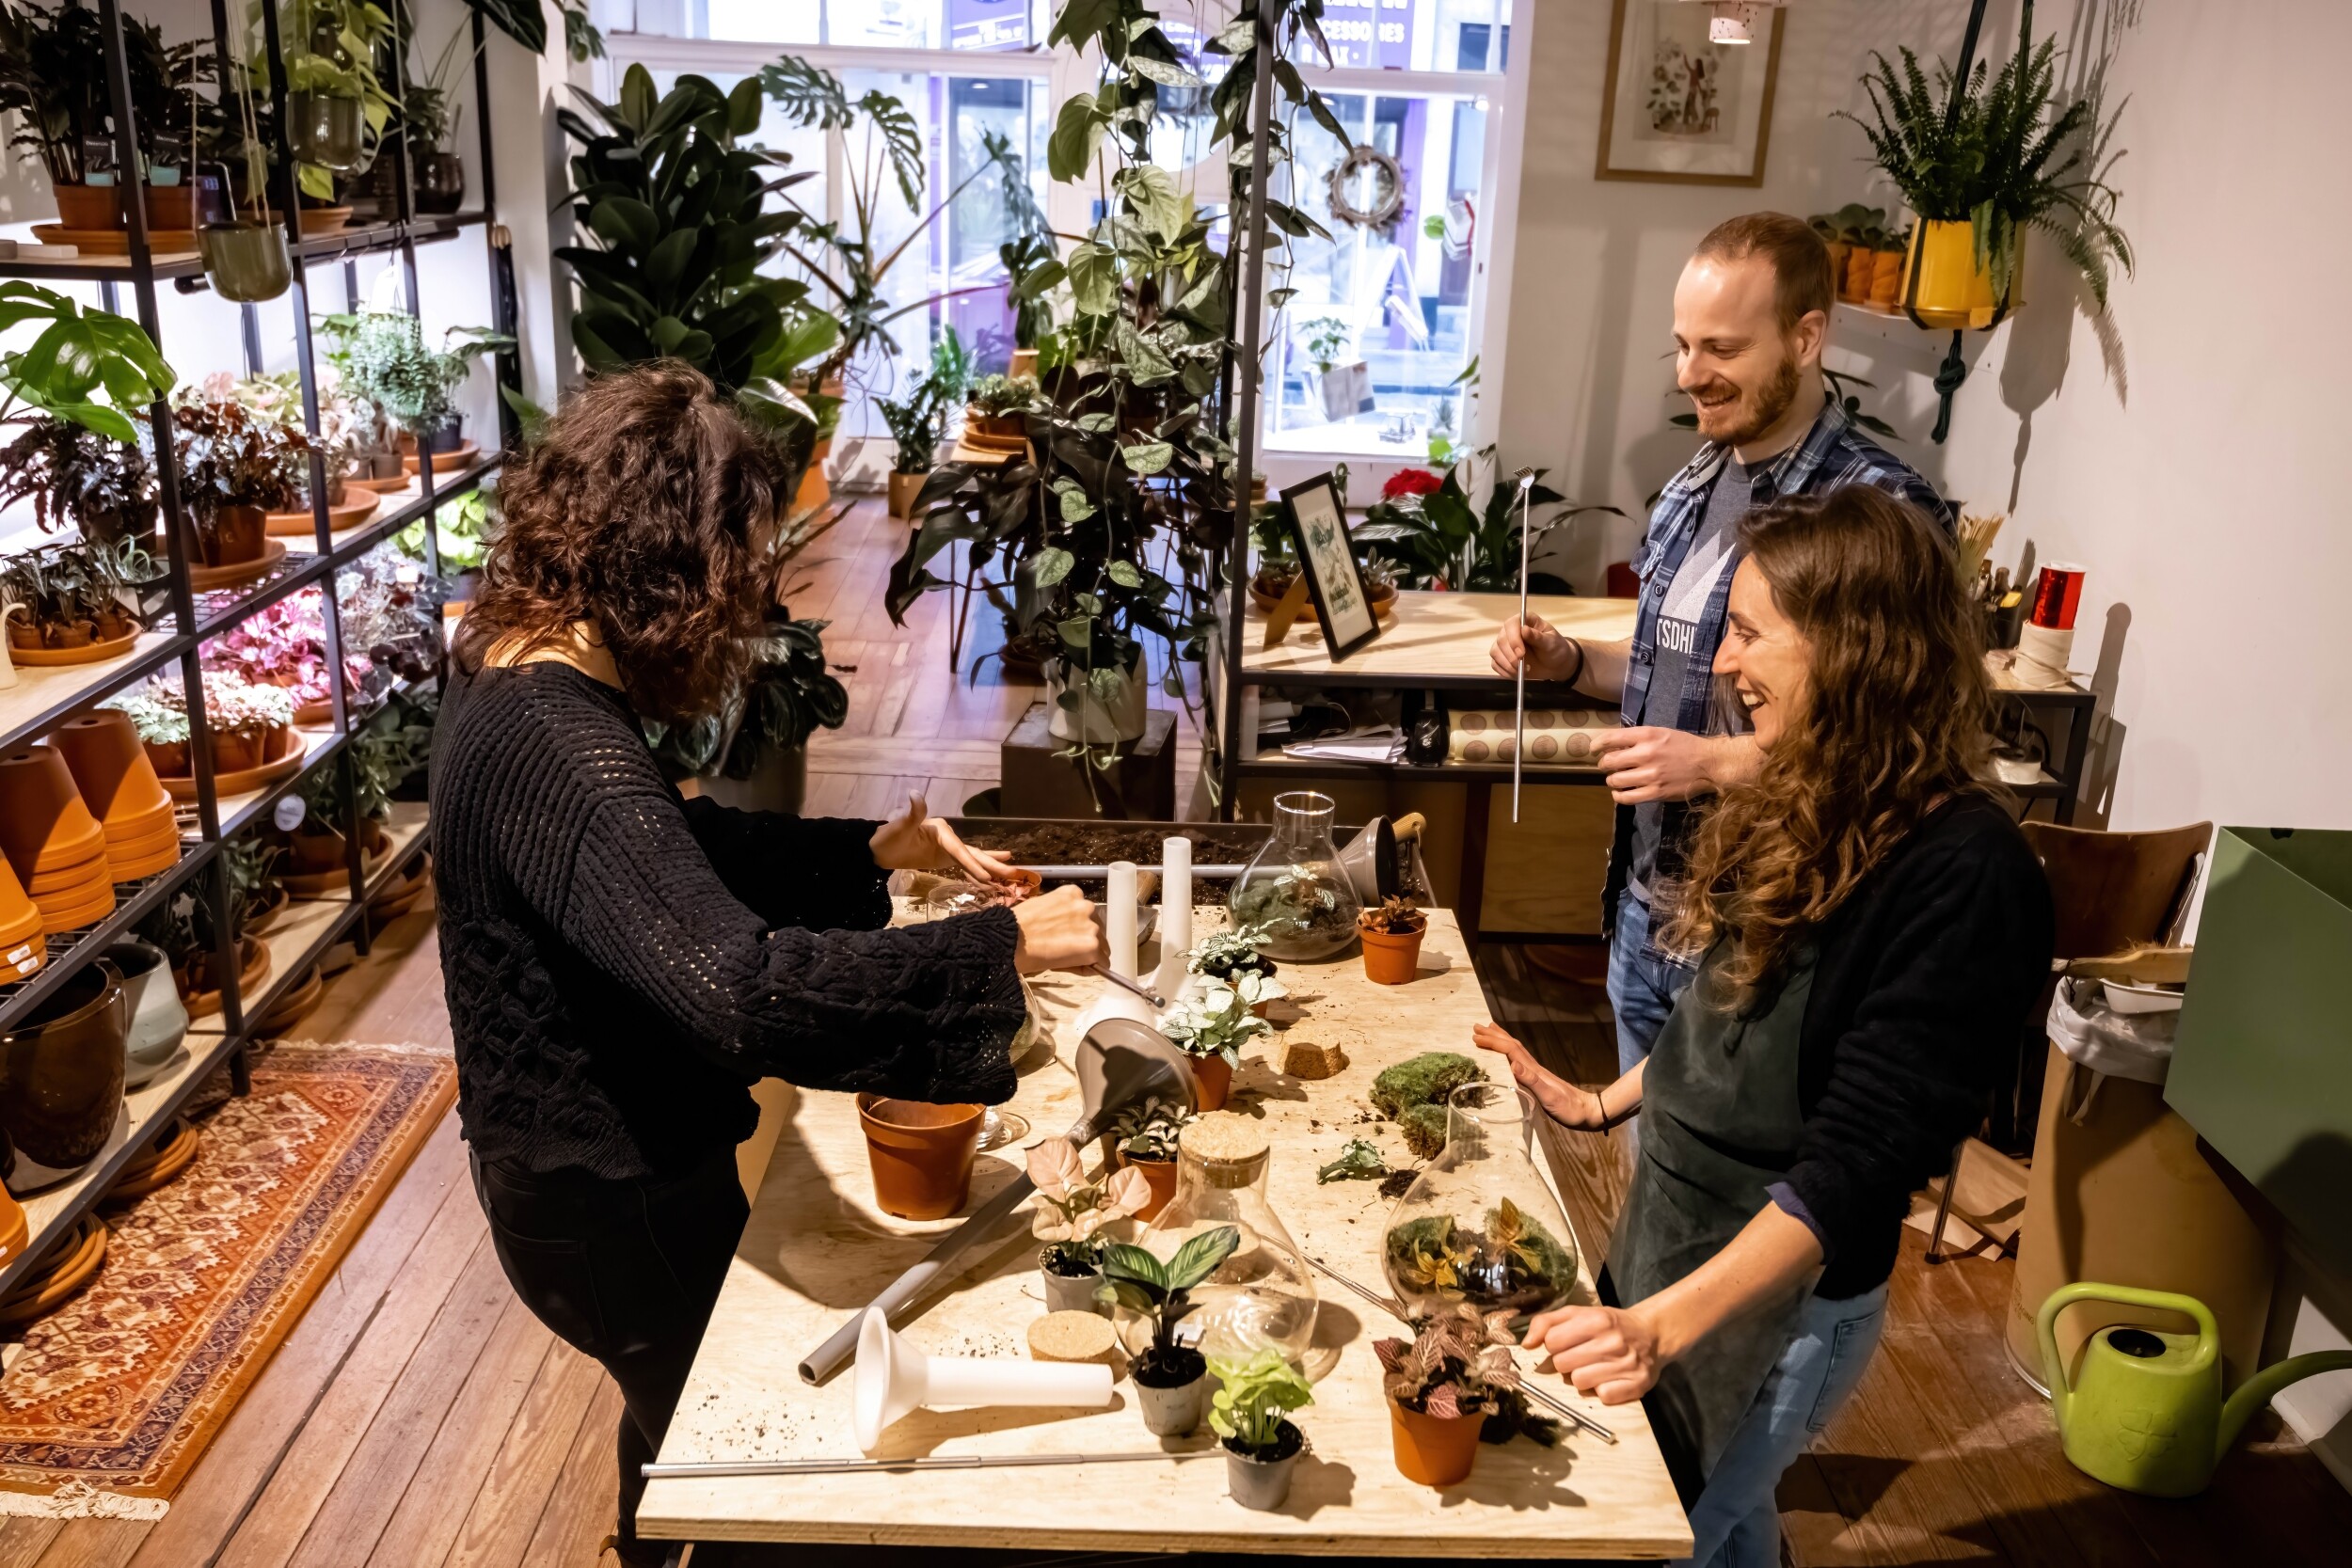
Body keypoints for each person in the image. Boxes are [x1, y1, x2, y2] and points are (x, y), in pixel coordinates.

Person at [428, 364, 1104, 1568]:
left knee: (675, 1423)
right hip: (606, 1205)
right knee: (759, 1476)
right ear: (671, 562)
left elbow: (666, 851)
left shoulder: (510, 660)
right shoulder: (560, 741)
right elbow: (740, 991)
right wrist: (1001, 942)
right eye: (738, 565)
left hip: (572, 1180)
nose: (745, 601)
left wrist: (876, 850)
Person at [1472, 486, 2052, 1568]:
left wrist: (1659, 1325)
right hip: (1669, 1240)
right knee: (1722, 1516)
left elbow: (1857, 1167)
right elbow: (1727, 1004)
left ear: (1854, 643)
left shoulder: (1968, 876)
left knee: (1663, 1530)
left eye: (1747, 633)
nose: (1726, 666)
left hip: (1775, 1307)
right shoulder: (1816, 792)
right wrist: (1602, 1100)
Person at [1489, 212, 1953, 1078]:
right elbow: (1681, 677)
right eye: (1683, 345)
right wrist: (1572, 662)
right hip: (1646, 912)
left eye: (1723, 350)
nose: (1689, 375)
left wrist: (1710, 765)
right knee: (1652, 1190)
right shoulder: (1695, 481)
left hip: (1766, 938)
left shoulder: (1882, 514)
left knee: (1737, 1204)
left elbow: (1895, 754)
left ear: (1807, 337)